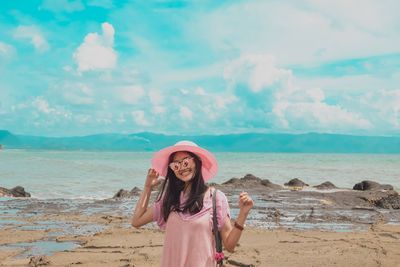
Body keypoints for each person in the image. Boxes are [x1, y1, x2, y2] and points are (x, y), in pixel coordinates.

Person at [131, 140, 254, 267]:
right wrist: (147, 187)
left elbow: (229, 245)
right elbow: (137, 221)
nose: (182, 168)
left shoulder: (215, 198)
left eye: (186, 162)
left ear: (196, 162)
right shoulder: (169, 200)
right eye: (176, 165)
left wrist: (243, 214)